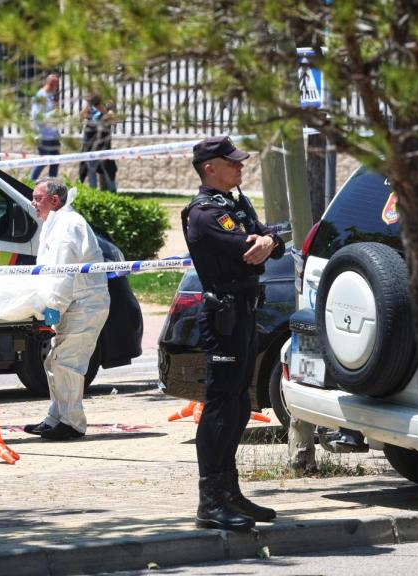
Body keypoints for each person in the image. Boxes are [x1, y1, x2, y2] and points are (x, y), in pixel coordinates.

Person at [182, 136, 284, 530]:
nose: (240, 167)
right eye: (233, 163)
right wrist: (265, 240)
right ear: (210, 168)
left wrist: (271, 239)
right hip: (222, 316)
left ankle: (230, 492)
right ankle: (210, 501)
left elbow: (269, 240)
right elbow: (249, 247)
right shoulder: (205, 212)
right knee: (222, 404)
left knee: (241, 402)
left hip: (244, 311)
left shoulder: (235, 202)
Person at [23, 178, 110, 440]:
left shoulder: (67, 226)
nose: (33, 203)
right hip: (74, 303)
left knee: (67, 363)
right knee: (53, 360)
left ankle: (72, 423)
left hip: (84, 304)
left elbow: (62, 276)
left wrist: (51, 313)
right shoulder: (56, 224)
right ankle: (56, 418)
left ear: (54, 200)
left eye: (37, 198)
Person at [78, 93, 116, 192]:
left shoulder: (108, 104)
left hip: (103, 142)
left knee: (107, 167)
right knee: (90, 168)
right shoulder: (89, 107)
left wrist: (100, 107)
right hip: (89, 142)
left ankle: (112, 192)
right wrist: (87, 105)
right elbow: (81, 118)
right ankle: (93, 192)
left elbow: (112, 118)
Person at [30, 74, 62, 180]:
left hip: (53, 135)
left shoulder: (50, 96)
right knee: (43, 162)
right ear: (51, 84)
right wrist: (53, 113)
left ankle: (52, 186)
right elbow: (36, 117)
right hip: (43, 135)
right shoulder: (40, 96)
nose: (57, 88)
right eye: (57, 85)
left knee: (55, 162)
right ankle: (30, 182)